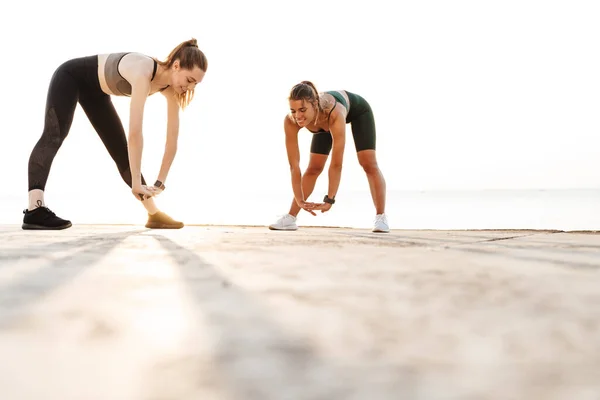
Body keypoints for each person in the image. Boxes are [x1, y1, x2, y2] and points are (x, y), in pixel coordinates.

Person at [22, 38, 207, 230]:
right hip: (70, 77)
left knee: (122, 153)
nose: (191, 88)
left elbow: (172, 141)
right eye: (190, 80)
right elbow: (135, 132)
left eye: (196, 84)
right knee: (54, 136)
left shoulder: (170, 91)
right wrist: (136, 183)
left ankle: (154, 215)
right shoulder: (143, 72)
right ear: (176, 66)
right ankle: (35, 209)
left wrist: (160, 182)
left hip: (96, 93)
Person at [269, 81, 389, 233]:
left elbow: (336, 163)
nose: (298, 116)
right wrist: (300, 200)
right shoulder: (291, 121)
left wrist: (329, 199)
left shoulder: (334, 113)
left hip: (358, 112)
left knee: (368, 163)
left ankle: (381, 217)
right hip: (321, 122)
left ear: (314, 104)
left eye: (302, 110)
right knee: (314, 167)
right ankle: (290, 217)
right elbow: (294, 166)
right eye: (293, 111)